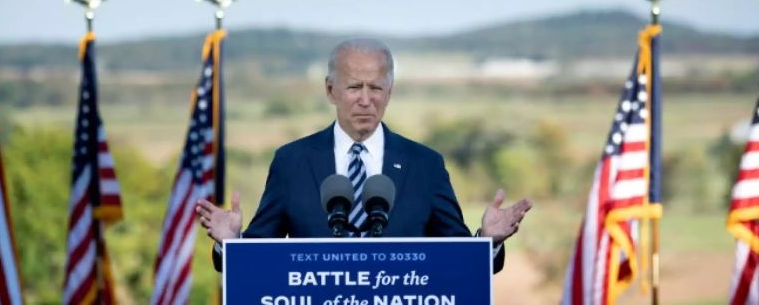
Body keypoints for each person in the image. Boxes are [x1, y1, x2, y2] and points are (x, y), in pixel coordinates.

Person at [195, 38, 532, 272]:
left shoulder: (425, 165)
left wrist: (487, 242)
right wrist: (231, 243)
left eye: (376, 88)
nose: (366, 100)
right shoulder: (292, 162)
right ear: (331, 90)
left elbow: (457, 261)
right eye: (355, 87)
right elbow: (258, 262)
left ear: (390, 90)